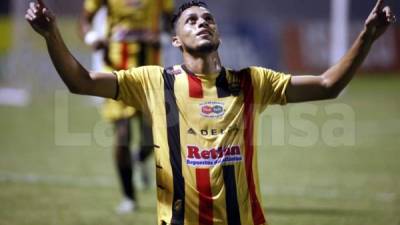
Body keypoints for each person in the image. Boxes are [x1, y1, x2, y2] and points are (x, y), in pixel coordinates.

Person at [25, 0, 396, 224]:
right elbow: (83, 82)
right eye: (191, 20)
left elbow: (329, 85)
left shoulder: (252, 81)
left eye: (208, 18)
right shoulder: (155, 82)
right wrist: (52, 35)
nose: (202, 22)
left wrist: (367, 36)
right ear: (175, 40)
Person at [78, 0, 175, 213]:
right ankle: (129, 197)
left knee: (154, 138)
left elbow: (170, 21)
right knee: (122, 134)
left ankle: (139, 159)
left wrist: (164, 37)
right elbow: (85, 21)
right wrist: (93, 38)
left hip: (150, 73)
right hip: (117, 71)